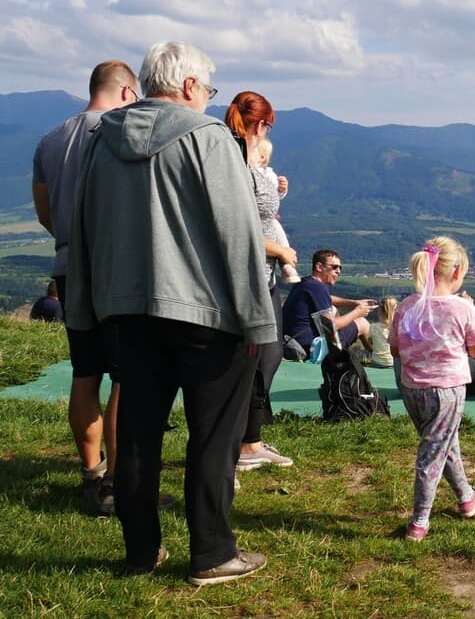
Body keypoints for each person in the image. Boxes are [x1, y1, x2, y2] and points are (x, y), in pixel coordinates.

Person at [67, 41, 274, 584]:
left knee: (136, 434)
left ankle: (140, 553)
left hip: (126, 312)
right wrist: (256, 319)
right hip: (209, 315)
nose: (208, 97)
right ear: (186, 87)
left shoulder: (100, 141)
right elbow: (238, 234)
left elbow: (82, 227)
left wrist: (88, 307)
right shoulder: (207, 139)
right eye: (208, 88)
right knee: (213, 435)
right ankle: (211, 553)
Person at [32, 59, 139, 514]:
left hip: (67, 263)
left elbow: (43, 209)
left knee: (85, 371)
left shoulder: (51, 138)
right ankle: (118, 480)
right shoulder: (119, 131)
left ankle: (90, 472)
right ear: (127, 93)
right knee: (126, 374)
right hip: (114, 267)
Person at [388, 236, 475, 542]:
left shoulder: (406, 307)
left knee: (443, 444)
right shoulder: (462, 308)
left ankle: (466, 498)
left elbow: (395, 351)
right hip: (447, 390)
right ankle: (420, 521)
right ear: (457, 272)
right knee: (431, 454)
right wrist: (470, 311)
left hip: (412, 389)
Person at [225, 91, 297, 474]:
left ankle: (249, 440)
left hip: (263, 274)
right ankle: (235, 444)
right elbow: (237, 225)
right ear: (261, 123)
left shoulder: (250, 158)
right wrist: (281, 251)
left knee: (268, 356)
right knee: (255, 359)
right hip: (249, 274)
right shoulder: (237, 160)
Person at [281, 249, 375, 355]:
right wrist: (357, 312)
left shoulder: (305, 283)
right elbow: (330, 326)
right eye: (334, 267)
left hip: (291, 343)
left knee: (333, 309)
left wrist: (354, 302)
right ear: (319, 267)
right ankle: (378, 356)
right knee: (363, 323)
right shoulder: (318, 287)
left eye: (340, 268)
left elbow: (328, 298)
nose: (338, 271)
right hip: (309, 347)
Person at [250, 137, 300, 284]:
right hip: (264, 225)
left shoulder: (268, 174)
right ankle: (287, 265)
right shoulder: (248, 172)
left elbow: (272, 199)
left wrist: (281, 190)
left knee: (280, 239)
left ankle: (287, 265)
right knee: (280, 240)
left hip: (268, 221)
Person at [352, 296, 397, 368]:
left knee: (360, 363)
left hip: (376, 362)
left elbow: (370, 343)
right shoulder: (397, 328)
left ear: (379, 310)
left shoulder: (373, 327)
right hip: (393, 363)